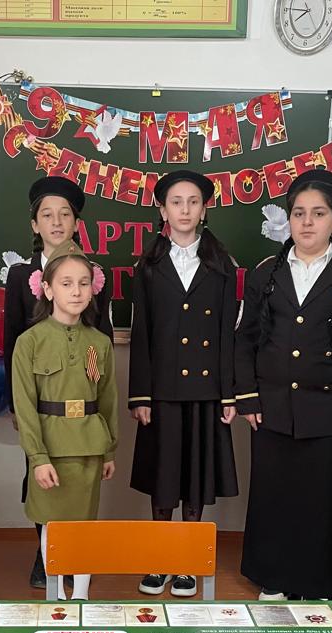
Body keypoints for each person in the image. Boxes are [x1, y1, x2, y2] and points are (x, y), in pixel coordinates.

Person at [235, 169, 332, 601]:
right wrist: (248, 397)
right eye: (299, 213)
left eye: (318, 213)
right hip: (272, 405)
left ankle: (316, 582)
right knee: (273, 493)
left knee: (320, 498)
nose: (307, 222)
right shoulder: (266, 272)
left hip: (329, 408)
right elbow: (245, 339)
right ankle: (273, 577)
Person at [128, 169, 239, 598]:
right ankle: (160, 559)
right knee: (163, 480)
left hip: (206, 392)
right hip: (162, 392)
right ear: (163, 210)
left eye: (193, 201)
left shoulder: (222, 265)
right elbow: (142, 334)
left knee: (195, 479)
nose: (185, 210)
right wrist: (140, 395)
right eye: (176, 202)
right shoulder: (149, 265)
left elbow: (227, 334)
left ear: (204, 209)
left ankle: (188, 562)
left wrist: (228, 393)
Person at [3, 177, 114, 589]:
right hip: (39, 398)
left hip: (83, 405)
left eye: (65, 214)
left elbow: (100, 341)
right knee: (41, 480)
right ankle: (45, 553)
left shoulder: (93, 276)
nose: (56, 222)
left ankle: (73, 563)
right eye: (47, 215)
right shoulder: (21, 276)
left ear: (76, 222)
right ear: (35, 224)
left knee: (80, 497)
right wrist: (17, 407)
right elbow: (11, 340)